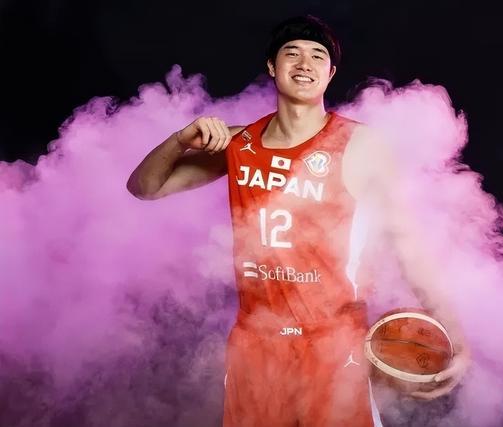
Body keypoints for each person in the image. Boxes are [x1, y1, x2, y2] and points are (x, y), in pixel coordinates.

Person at [127, 15, 470, 427]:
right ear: (272, 66)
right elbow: (144, 187)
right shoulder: (238, 143)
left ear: (330, 73)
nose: (305, 63)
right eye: (292, 53)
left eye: (317, 56)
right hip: (255, 345)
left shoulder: (360, 144)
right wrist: (180, 139)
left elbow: (408, 245)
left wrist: (455, 335)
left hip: (333, 345)